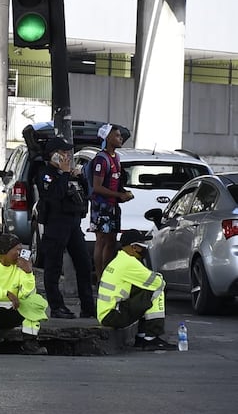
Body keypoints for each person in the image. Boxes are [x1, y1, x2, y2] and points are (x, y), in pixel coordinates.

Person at [36, 136, 96, 319]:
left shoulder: (68, 172)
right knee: (53, 266)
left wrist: (80, 178)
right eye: (62, 152)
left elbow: (85, 195)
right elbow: (54, 195)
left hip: (73, 224)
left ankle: (88, 306)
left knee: (84, 264)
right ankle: (56, 306)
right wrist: (62, 174)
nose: (66, 156)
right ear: (52, 155)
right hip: (56, 223)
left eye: (67, 152)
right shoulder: (46, 173)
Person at [0, 233, 49, 355]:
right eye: (16, 250)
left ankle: (30, 343)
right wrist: (6, 293)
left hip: (13, 308)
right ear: (4, 251)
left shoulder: (20, 267)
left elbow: (28, 293)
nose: (19, 254)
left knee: (34, 301)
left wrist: (28, 272)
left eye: (21, 250)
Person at [97, 230, 174, 350]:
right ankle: (151, 339)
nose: (145, 248)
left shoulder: (119, 260)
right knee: (157, 290)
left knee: (143, 290)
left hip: (108, 313)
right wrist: (159, 277)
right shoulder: (129, 262)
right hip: (113, 315)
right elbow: (157, 283)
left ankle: (142, 336)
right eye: (142, 244)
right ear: (134, 247)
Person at [89, 123, 134, 282]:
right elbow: (97, 187)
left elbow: (115, 181)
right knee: (101, 240)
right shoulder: (101, 159)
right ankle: (100, 277)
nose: (120, 138)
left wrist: (123, 192)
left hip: (113, 205)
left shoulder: (117, 158)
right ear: (107, 138)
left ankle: (108, 275)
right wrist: (118, 195)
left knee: (111, 240)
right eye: (117, 135)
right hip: (102, 205)